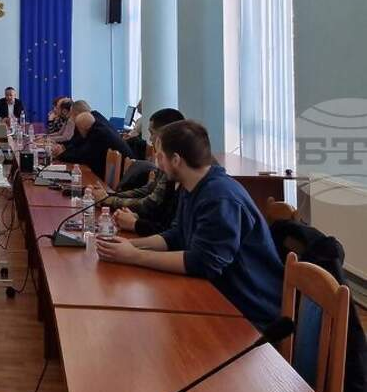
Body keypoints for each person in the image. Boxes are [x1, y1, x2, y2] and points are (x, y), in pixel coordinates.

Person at [95, 120, 284, 330]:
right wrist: (128, 246)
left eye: (160, 156)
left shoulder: (220, 197)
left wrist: (134, 256)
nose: (157, 163)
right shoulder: (192, 186)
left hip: (246, 312)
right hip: (216, 296)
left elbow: (202, 262)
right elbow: (178, 235)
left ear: (176, 160)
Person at [90, 108, 186, 237]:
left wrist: (108, 200)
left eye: (152, 133)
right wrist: (109, 196)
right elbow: (147, 191)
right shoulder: (170, 167)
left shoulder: (180, 175)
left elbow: (149, 205)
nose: (150, 139)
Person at [54, 111, 132, 176]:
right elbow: (80, 148)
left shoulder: (98, 134)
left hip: (125, 176)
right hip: (122, 170)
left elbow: (83, 155)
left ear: (83, 128)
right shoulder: (97, 127)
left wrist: (61, 155)